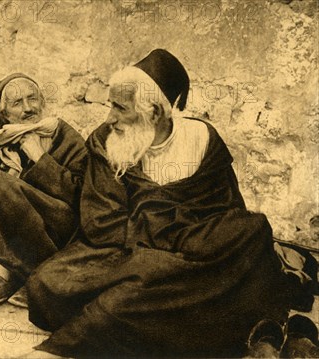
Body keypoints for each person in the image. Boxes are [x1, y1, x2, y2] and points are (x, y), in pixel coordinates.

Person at [26, 49, 294, 357]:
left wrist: (179, 241)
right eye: (110, 105)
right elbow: (101, 224)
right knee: (45, 285)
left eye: (119, 108)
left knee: (252, 231)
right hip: (124, 251)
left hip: (191, 251)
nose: (110, 117)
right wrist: (160, 242)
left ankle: (139, 306)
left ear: (153, 113)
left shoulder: (202, 140)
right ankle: (170, 303)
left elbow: (228, 211)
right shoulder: (105, 139)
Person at [0, 73, 88, 307]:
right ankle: (8, 274)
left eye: (33, 99)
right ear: (4, 114)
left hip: (63, 231)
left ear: (42, 103)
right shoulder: (2, 143)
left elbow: (82, 195)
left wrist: (40, 158)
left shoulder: (62, 135)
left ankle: (36, 277)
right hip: (26, 230)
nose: (28, 108)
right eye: (17, 103)